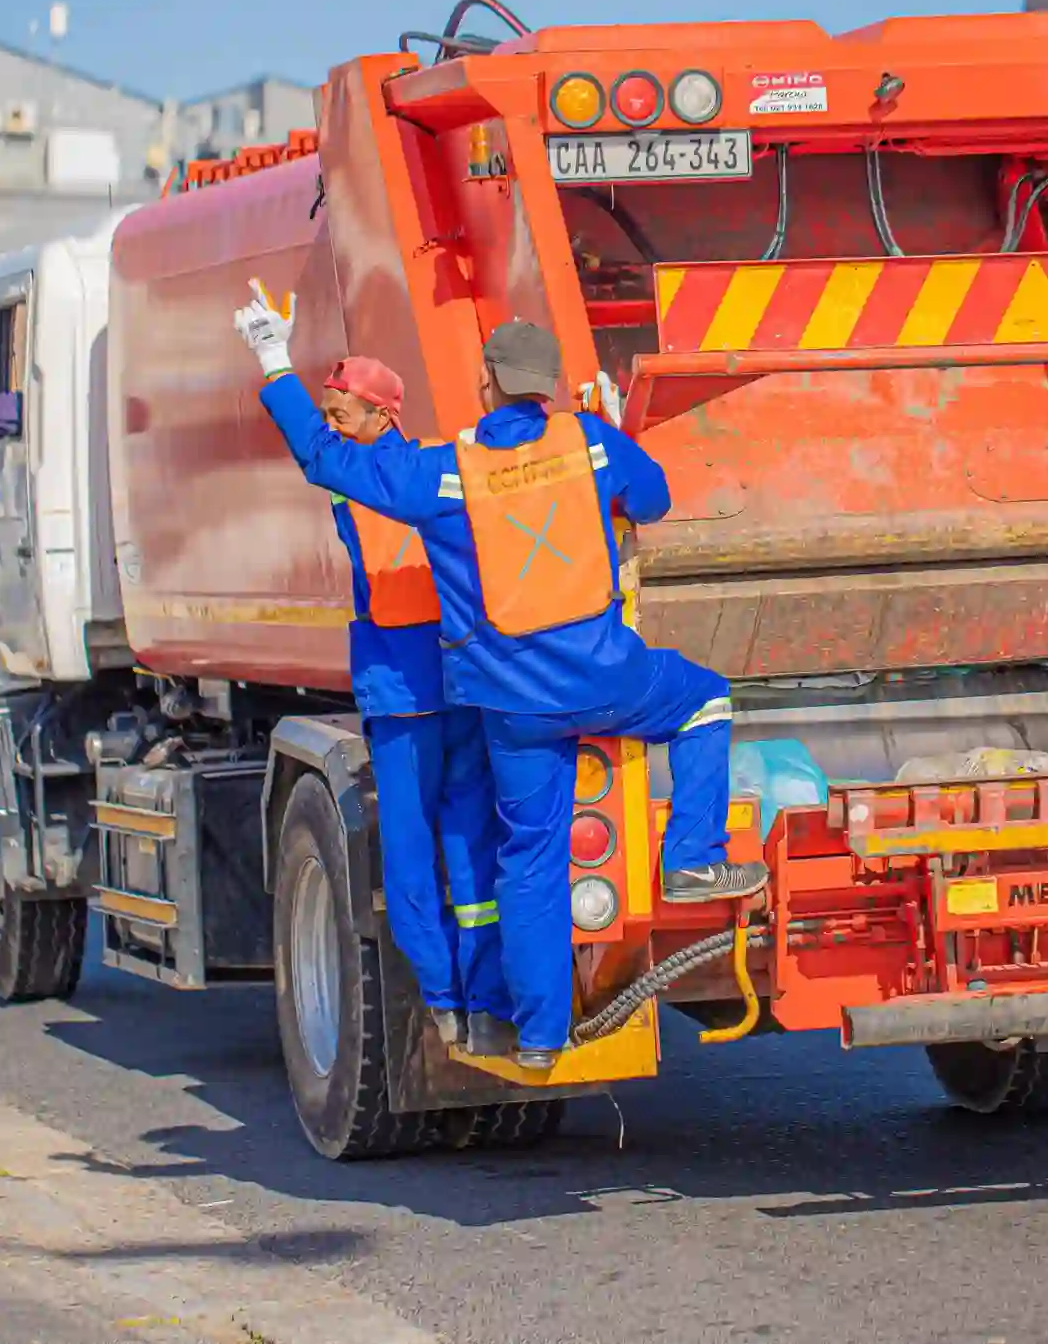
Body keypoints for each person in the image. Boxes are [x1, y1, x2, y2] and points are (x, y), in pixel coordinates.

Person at [235, 288, 767, 1069]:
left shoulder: (448, 474)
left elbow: (326, 460)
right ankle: (691, 852)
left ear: (487, 384)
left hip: (508, 705)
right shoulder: (588, 441)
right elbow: (653, 499)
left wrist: (274, 360)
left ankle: (542, 1037)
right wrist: (610, 447)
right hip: (604, 678)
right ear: (548, 387)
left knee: (528, 858)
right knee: (703, 700)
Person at [241, 341, 512, 1056]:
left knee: (418, 854)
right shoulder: (438, 467)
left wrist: (274, 365)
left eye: (341, 411)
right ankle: (481, 1004)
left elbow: (313, 450)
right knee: (469, 843)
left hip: (406, 696)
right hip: (461, 681)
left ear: (380, 415)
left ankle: (454, 1004)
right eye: (328, 410)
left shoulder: (357, 479)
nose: (331, 423)